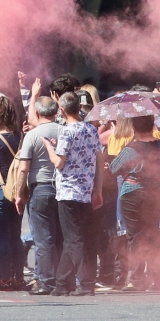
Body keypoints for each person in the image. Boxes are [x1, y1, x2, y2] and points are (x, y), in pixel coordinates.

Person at [42, 92, 103, 296]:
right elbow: (99, 161)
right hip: (85, 190)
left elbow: (59, 162)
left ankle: (86, 283)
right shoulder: (91, 130)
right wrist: (98, 188)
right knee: (74, 238)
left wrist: (49, 147)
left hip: (68, 191)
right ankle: (62, 283)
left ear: (61, 110)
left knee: (74, 238)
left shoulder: (67, 132)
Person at [110, 114, 160, 291]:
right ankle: (159, 279)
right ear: (152, 126)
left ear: (134, 128)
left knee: (135, 236)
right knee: (154, 234)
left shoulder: (132, 148)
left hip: (133, 193)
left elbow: (114, 167)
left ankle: (136, 279)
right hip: (156, 193)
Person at [15, 96, 62, 294]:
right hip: (61, 187)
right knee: (60, 236)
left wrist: (19, 194)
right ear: (56, 112)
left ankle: (46, 280)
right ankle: (62, 278)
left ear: (37, 113)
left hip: (40, 188)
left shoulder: (32, 135)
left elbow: (23, 168)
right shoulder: (64, 131)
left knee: (43, 238)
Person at [0, 94, 26, 290]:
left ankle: (3, 277)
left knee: (0, 235)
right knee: (15, 235)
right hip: (18, 191)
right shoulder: (22, 137)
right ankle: (19, 276)